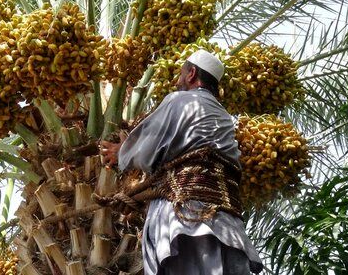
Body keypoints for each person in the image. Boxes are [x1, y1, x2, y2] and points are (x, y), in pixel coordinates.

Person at [100, 50, 264, 275]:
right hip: (227, 223)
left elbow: (149, 147)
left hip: (187, 215)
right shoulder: (224, 117)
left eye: (180, 73)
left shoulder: (181, 100)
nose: (177, 81)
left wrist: (121, 152)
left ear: (192, 73)